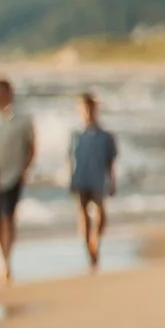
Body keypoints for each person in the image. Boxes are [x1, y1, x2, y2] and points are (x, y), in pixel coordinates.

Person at [0, 77, 35, 286]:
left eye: (1, 92)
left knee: (8, 218)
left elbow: (31, 147)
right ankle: (1, 258)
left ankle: (6, 262)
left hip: (13, 174)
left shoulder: (22, 119)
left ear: (10, 94)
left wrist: (24, 169)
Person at [68, 91, 121, 271]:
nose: (88, 112)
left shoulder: (106, 136)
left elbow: (111, 160)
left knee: (100, 214)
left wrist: (113, 180)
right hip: (80, 178)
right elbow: (70, 159)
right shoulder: (75, 135)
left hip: (98, 178)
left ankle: (95, 240)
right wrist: (70, 178)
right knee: (82, 214)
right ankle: (88, 248)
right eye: (84, 109)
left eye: (90, 108)